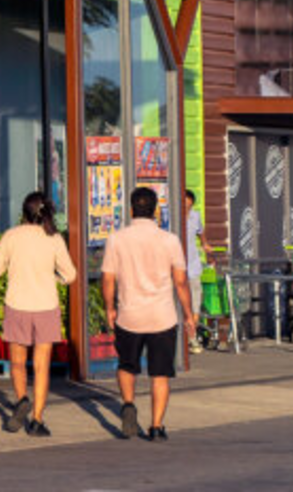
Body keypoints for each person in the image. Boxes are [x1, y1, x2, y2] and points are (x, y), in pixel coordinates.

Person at [0, 191, 76, 437]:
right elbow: (70, 275)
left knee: (17, 363)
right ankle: (37, 420)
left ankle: (22, 399)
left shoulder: (12, 237)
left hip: (17, 306)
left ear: (24, 212)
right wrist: (53, 278)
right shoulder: (54, 238)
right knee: (42, 367)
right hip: (46, 307)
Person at [101, 185, 191, 441]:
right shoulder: (170, 240)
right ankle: (156, 426)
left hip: (129, 315)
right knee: (160, 374)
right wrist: (189, 314)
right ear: (155, 211)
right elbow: (180, 282)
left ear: (131, 210)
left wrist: (110, 308)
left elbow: (108, 279)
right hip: (162, 316)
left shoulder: (116, 239)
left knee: (126, 365)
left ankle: (128, 404)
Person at [182, 188, 205, 349]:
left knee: (195, 303)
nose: (186, 209)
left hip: (193, 266)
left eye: (189, 206)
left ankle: (192, 337)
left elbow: (201, 232)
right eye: (184, 206)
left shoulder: (195, 216)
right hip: (176, 268)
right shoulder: (172, 217)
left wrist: (205, 244)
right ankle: (183, 340)